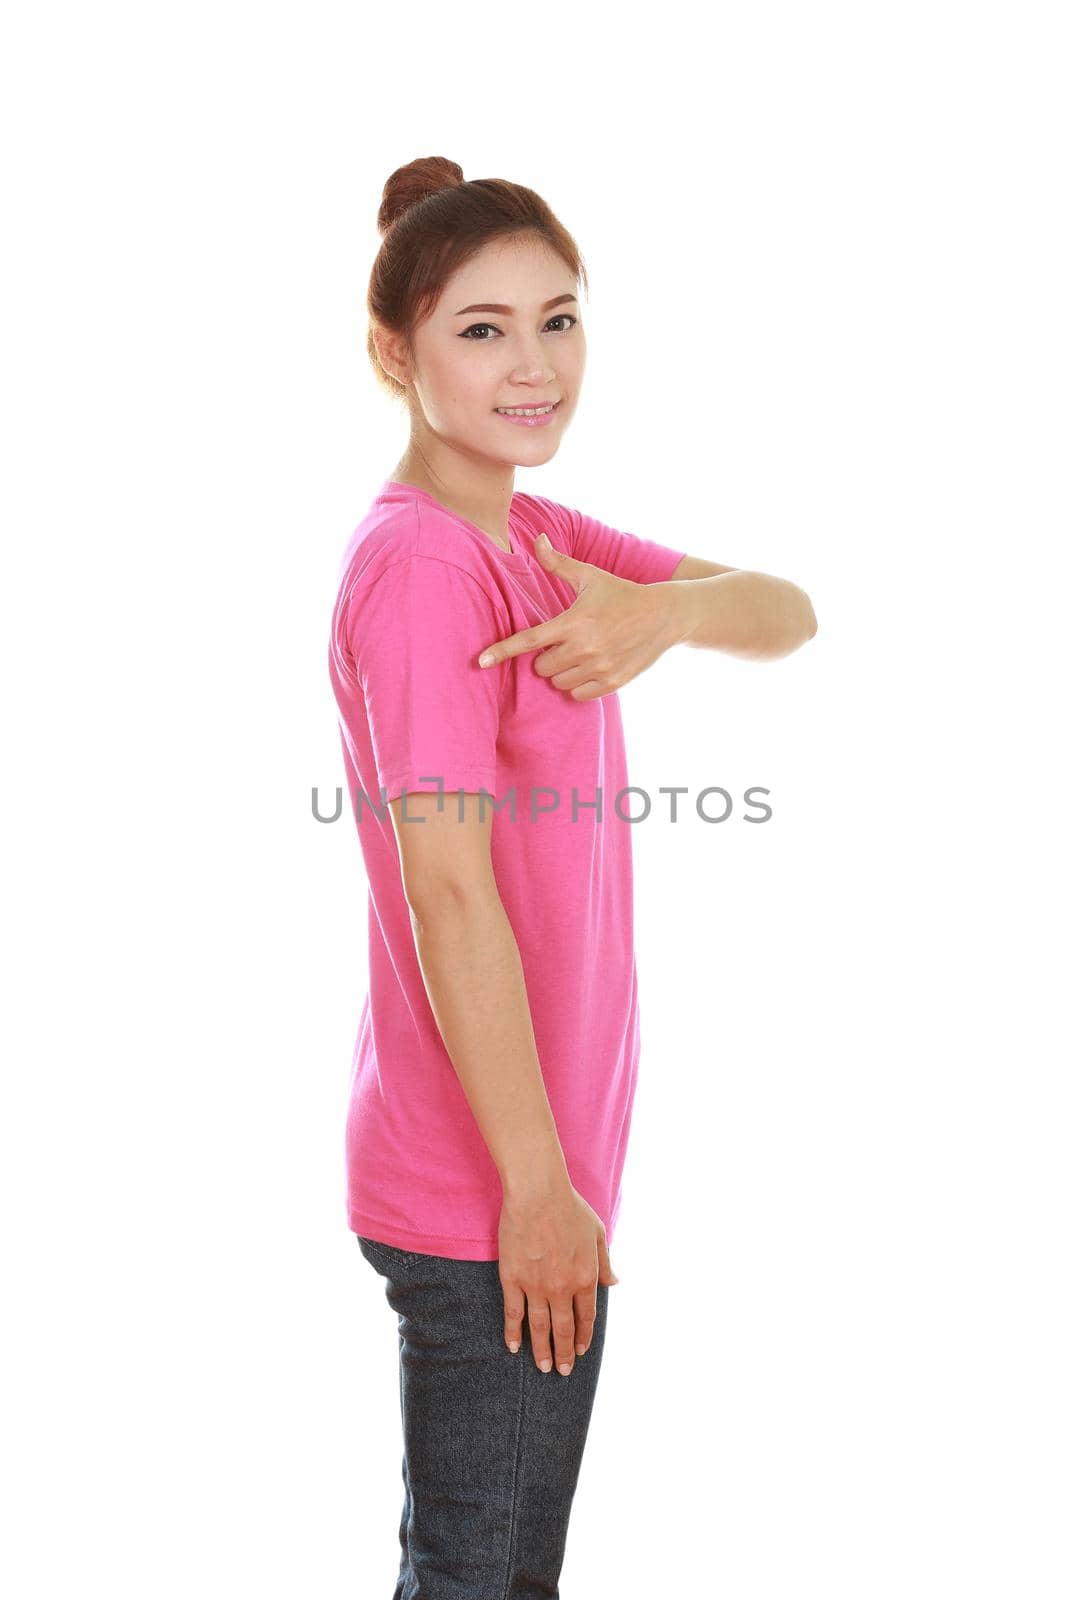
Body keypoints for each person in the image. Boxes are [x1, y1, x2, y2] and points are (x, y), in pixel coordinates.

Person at [327, 156, 818, 1597]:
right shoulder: (426, 568)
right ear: (392, 352)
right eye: (481, 330)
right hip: (489, 1187)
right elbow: (450, 891)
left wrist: (660, 617)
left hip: (537, 1174)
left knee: (488, 1573)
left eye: (560, 318)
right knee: (481, 1580)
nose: (534, 365)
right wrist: (536, 1193)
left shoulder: (532, 533)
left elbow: (786, 614)